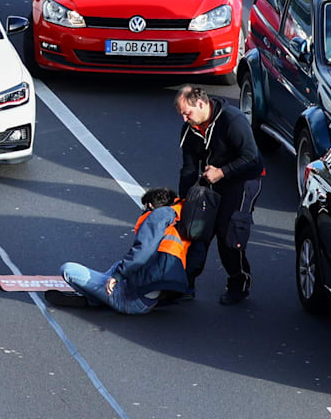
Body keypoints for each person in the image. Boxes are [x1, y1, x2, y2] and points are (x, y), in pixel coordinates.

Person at [175, 85, 263, 305]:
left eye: (188, 113)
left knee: (227, 233)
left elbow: (252, 159)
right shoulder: (189, 129)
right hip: (212, 179)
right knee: (196, 229)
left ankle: (239, 283)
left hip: (243, 179)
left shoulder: (233, 120)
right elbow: (188, 170)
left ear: (202, 104)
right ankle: (185, 284)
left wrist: (222, 172)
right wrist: (184, 203)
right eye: (182, 114)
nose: (185, 119)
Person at [49, 187, 189, 314]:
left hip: (131, 300)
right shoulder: (175, 224)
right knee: (119, 265)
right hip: (150, 298)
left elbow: (142, 251)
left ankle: (93, 298)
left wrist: (117, 277)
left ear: (150, 206)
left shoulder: (157, 217)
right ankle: (96, 296)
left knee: (68, 270)